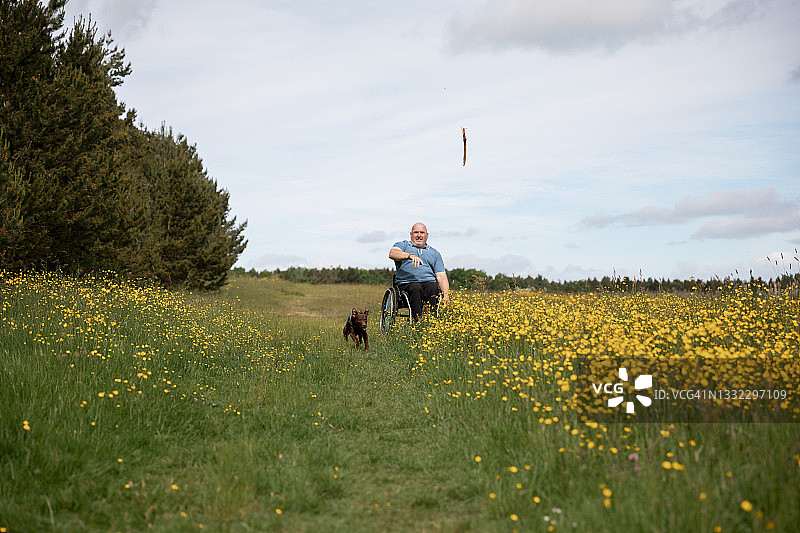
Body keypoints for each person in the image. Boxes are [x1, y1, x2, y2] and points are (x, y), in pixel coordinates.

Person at [388, 222, 450, 321]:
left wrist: (446, 295)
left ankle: (432, 322)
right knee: (416, 286)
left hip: (428, 284)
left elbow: (441, 276)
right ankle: (416, 322)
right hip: (407, 284)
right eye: (416, 232)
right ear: (411, 234)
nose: (419, 235)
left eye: (422, 232)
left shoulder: (434, 253)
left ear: (427, 235)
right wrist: (409, 256)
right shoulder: (403, 245)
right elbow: (392, 253)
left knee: (433, 286)